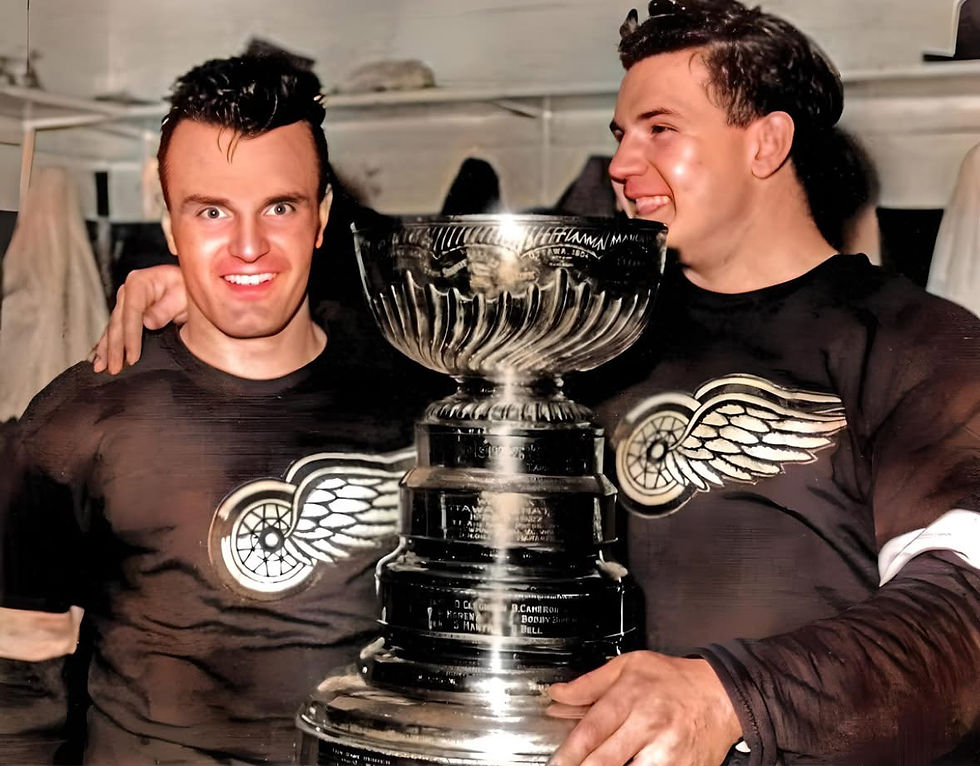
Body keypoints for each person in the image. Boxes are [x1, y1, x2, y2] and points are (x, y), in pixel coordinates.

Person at [89, 2, 980, 764]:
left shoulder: (913, 346)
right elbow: (388, 346)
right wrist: (216, 301)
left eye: (660, 129)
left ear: (767, 141)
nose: (624, 165)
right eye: (619, 134)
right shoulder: (588, 327)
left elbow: (963, 612)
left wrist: (732, 698)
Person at [0, 54, 430, 764]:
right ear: (169, 225)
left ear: (321, 218)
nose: (250, 246)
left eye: (281, 207)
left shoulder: (411, 395)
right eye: (211, 212)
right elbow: (17, 680)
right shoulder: (78, 419)